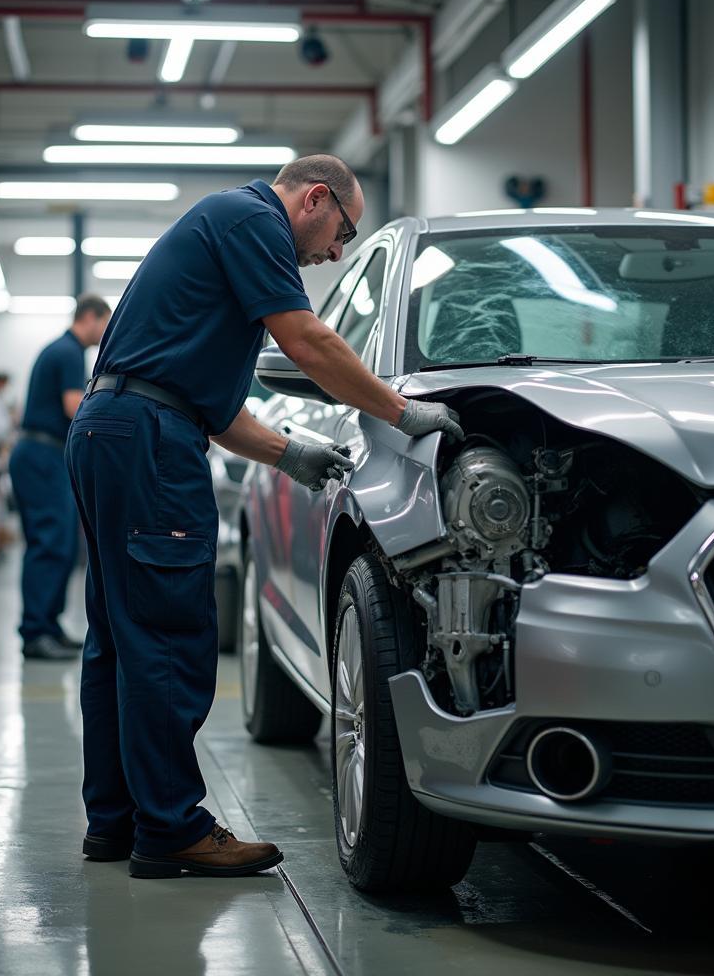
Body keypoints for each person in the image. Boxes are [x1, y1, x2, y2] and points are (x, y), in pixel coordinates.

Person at [66, 155, 462, 878]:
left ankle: (115, 822)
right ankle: (171, 828)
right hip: (147, 440)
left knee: (123, 639)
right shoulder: (254, 220)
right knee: (166, 637)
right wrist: (403, 413)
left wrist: (287, 453)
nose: (336, 253)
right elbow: (307, 341)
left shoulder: (225, 226)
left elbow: (210, 409)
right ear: (316, 198)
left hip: (117, 428)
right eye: (343, 232)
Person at [10, 295, 111, 661]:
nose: (105, 332)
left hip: (44, 454)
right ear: (89, 317)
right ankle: (35, 631)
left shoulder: (62, 350)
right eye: (104, 323)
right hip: (42, 455)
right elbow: (74, 407)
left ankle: (48, 626)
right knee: (49, 542)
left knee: (62, 542)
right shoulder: (68, 352)